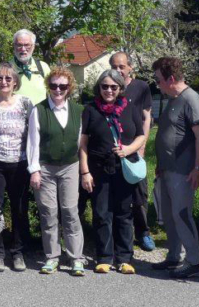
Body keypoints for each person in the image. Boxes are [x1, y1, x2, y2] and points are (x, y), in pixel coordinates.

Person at [80, 70, 146, 274]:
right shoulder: (90, 109)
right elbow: (83, 144)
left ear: (120, 88)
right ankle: (104, 257)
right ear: (99, 87)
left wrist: (128, 149)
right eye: (104, 86)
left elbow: (141, 136)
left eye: (113, 87)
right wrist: (85, 172)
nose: (109, 90)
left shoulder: (131, 108)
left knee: (124, 213)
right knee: (101, 213)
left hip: (123, 168)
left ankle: (125, 258)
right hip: (98, 169)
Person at [150, 57, 199, 279]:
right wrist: (160, 165)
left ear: (171, 79)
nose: (157, 84)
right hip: (167, 169)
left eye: (158, 80)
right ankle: (174, 256)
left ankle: (194, 262)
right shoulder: (172, 99)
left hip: (183, 171)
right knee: (170, 216)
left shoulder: (191, 99)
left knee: (181, 215)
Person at [27, 67, 85, 276]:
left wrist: (83, 169)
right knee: (49, 212)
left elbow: (81, 143)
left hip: (70, 166)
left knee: (70, 211)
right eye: (54, 85)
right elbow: (33, 142)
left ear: (69, 87)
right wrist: (34, 170)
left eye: (62, 86)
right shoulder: (39, 110)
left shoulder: (79, 111)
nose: (58, 90)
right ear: (48, 87)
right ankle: (51, 257)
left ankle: (76, 257)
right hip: (45, 168)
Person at [0, 62, 34, 272]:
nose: (4, 82)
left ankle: (18, 252)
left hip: (20, 163)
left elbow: (33, 135)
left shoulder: (26, 103)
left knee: (20, 209)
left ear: (15, 82)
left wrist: (34, 163)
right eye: (0, 78)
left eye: (8, 78)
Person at [109, 51, 156, 252]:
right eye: (114, 66)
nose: (118, 70)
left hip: (135, 146)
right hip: (113, 148)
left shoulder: (141, 87)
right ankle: (114, 233)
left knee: (139, 194)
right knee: (115, 194)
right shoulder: (107, 85)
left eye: (122, 66)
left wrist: (142, 143)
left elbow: (147, 117)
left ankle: (143, 232)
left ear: (130, 68)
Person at [11, 29, 51, 105]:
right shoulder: (6, 69)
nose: (23, 49)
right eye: (19, 45)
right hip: (15, 116)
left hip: (40, 115)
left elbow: (52, 94)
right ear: (14, 46)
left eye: (27, 45)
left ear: (33, 46)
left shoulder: (43, 67)